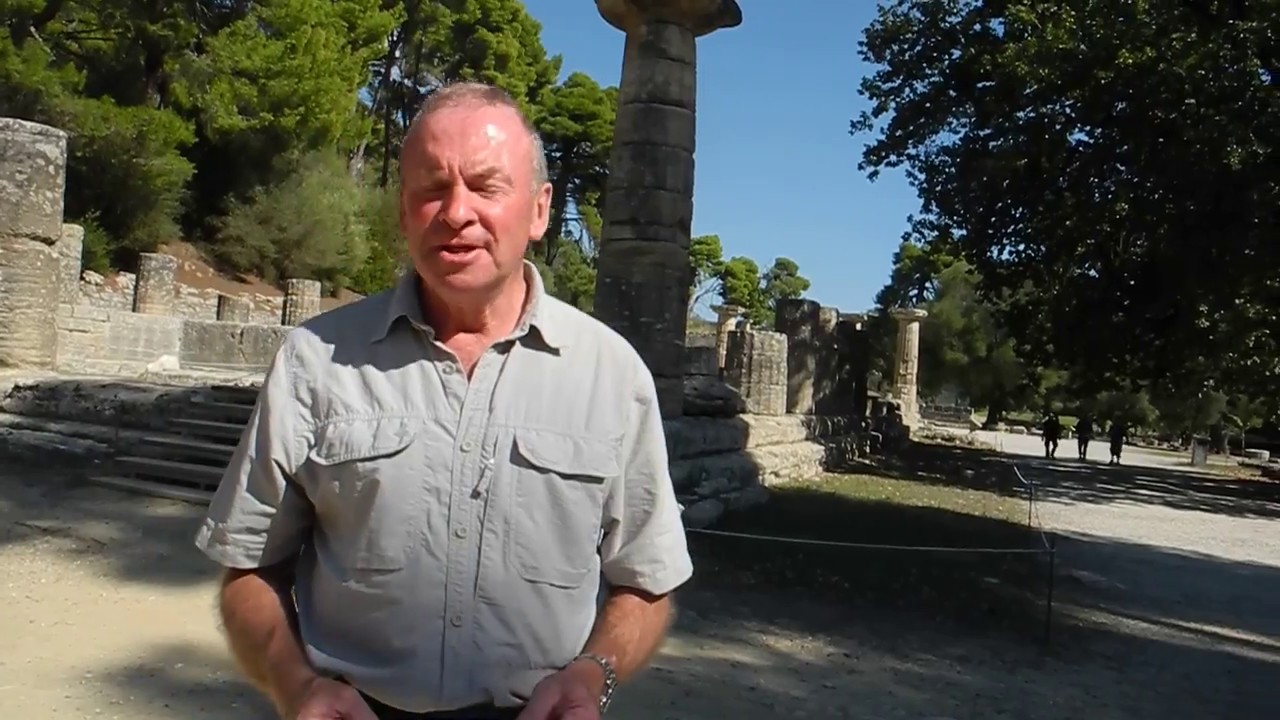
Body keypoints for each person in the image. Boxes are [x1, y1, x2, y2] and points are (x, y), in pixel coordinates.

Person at [193, 81, 694, 720]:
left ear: (539, 210)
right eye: (432, 188)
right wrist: (297, 687)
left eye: (486, 187)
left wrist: (594, 673)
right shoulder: (314, 361)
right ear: (404, 213)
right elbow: (249, 569)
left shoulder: (612, 376)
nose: (456, 212)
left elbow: (646, 581)